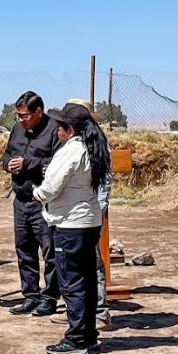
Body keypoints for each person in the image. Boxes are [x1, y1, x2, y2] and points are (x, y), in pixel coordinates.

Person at [31, 102, 111, 354]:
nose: (57, 132)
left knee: (72, 281)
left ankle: (76, 338)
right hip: (88, 221)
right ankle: (87, 334)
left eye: (60, 127)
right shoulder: (94, 147)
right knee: (86, 279)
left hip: (70, 223)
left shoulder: (72, 150)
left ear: (71, 129)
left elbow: (52, 186)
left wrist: (36, 193)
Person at [0, 91, 62, 317]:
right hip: (21, 199)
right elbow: (5, 157)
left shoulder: (55, 129)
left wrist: (28, 165)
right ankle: (31, 295)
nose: (21, 120)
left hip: (44, 201)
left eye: (24, 116)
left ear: (39, 112)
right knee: (24, 250)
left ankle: (50, 297)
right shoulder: (17, 130)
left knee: (50, 251)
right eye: (18, 116)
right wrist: (9, 165)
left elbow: (58, 163)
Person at [67, 98, 113, 331]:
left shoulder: (95, 142)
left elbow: (103, 179)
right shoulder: (75, 141)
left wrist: (99, 206)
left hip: (87, 213)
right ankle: (81, 313)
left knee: (92, 262)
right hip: (78, 213)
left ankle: (100, 312)